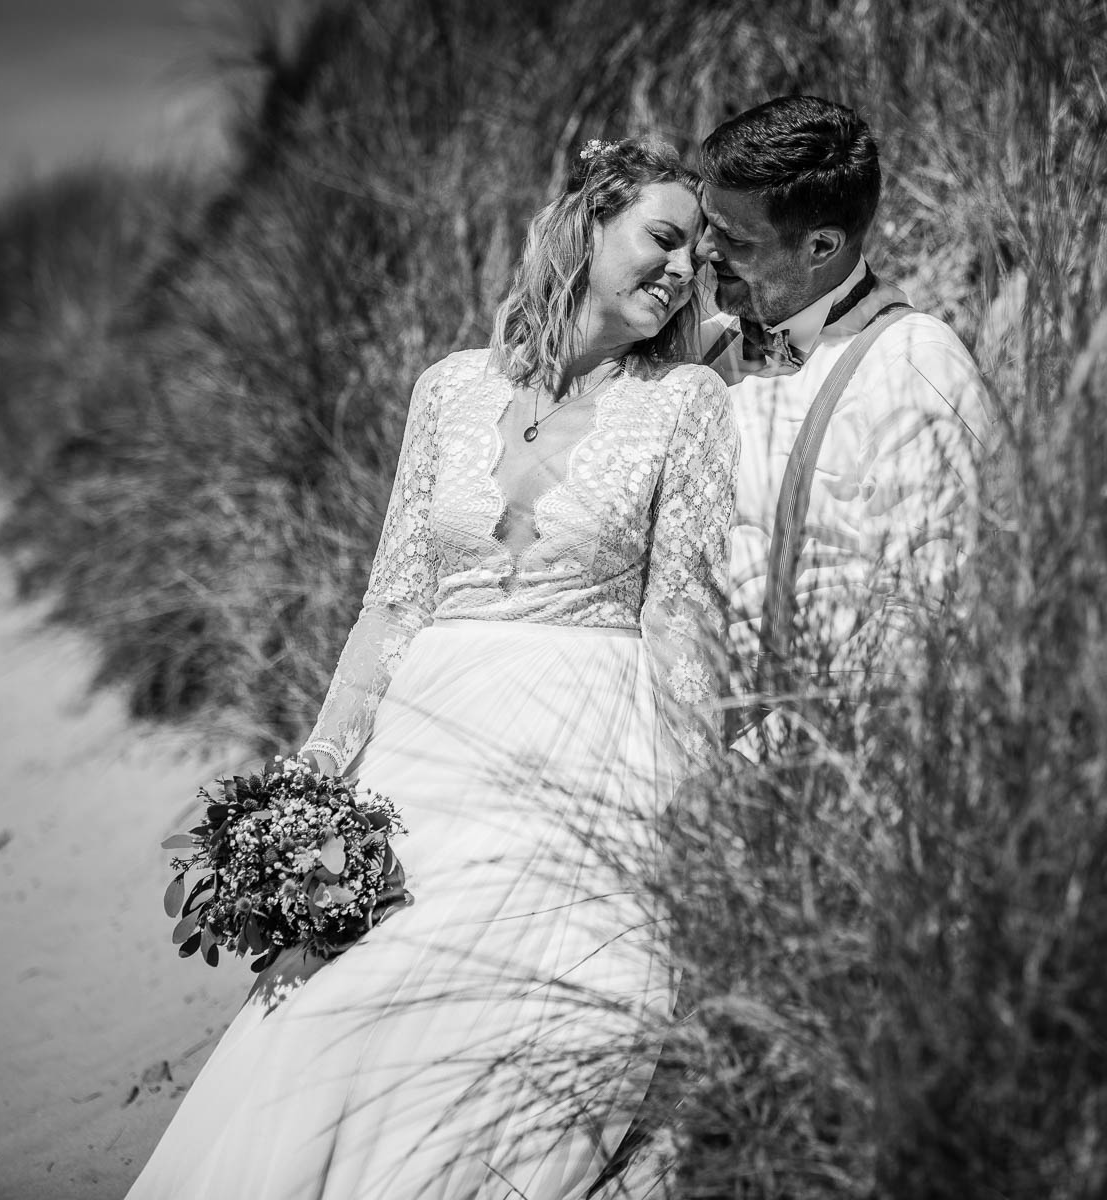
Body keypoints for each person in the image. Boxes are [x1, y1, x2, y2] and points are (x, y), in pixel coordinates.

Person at [126, 137, 737, 1200]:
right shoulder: (447, 389)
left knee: (492, 1017)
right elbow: (393, 601)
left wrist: (690, 820)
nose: (684, 269)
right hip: (422, 749)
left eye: (701, 255)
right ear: (587, 227)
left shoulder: (688, 401)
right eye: (664, 237)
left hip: (578, 755)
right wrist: (318, 768)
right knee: (338, 1010)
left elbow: (682, 620)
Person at [693, 96, 993, 732]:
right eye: (706, 223)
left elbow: (936, 599)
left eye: (734, 239)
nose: (703, 251)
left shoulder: (913, 361)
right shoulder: (701, 344)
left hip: (806, 748)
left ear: (822, 245)